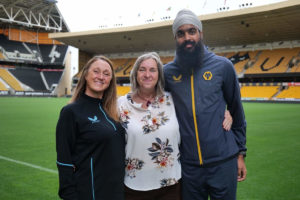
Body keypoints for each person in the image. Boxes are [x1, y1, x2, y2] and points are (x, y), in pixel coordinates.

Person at [117, 52, 233, 200]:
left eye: (153, 70)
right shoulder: (120, 104)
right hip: (134, 185)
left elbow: (199, 111)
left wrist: (227, 113)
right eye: (142, 69)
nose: (147, 74)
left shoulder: (172, 100)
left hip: (171, 184)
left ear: (159, 74)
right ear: (135, 74)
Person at [163, 9, 247, 200]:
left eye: (192, 31)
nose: (187, 37)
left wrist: (240, 153)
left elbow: (237, 110)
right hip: (188, 166)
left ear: (200, 33)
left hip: (223, 162)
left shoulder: (223, 66)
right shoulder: (166, 72)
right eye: (181, 33)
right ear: (175, 38)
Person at [56, 55, 125, 200]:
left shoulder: (112, 111)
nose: (101, 77)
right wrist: (69, 195)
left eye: (106, 74)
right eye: (96, 71)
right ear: (86, 74)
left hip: (116, 191)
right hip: (91, 192)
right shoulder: (71, 112)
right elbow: (64, 160)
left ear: (110, 81)